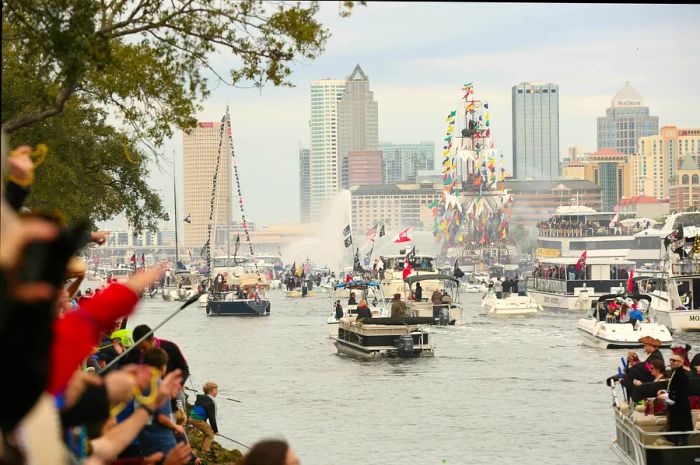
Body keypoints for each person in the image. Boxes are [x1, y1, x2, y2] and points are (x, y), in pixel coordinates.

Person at [659, 354, 693, 445]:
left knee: (680, 432)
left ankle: (681, 449)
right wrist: (666, 393)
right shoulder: (675, 372)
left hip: (680, 408)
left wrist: (666, 396)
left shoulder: (682, 375)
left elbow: (680, 393)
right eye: (670, 360)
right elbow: (673, 389)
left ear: (681, 362)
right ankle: (678, 445)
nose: (671, 362)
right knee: (676, 431)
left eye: (674, 360)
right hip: (676, 408)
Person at [189, 382, 219, 461]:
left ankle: (203, 449)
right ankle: (206, 452)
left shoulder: (202, 398)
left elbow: (201, 410)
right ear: (210, 392)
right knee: (210, 434)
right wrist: (215, 431)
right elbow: (212, 418)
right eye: (215, 390)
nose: (217, 392)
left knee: (207, 432)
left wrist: (205, 423)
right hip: (197, 419)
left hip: (192, 417)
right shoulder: (210, 403)